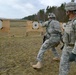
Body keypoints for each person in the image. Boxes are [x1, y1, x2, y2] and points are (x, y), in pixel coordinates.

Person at [59, 0, 76, 75]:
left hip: (74, 49)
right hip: (66, 47)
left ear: (70, 11)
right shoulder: (70, 22)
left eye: (66, 10)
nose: (66, 12)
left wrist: (74, 53)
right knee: (63, 67)